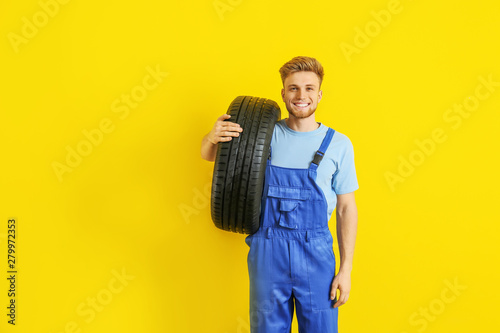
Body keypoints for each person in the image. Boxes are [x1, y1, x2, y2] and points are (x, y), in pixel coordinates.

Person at [201, 56, 358, 333]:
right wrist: (211, 137)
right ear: (283, 93)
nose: (301, 95)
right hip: (267, 251)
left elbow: (347, 209)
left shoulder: (339, 145)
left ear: (319, 94)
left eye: (309, 88)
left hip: (317, 254)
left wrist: (345, 270)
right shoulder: (261, 134)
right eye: (293, 88)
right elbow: (211, 155)